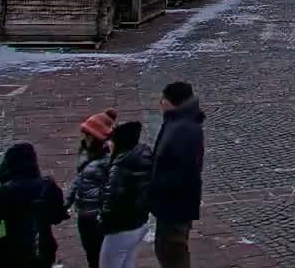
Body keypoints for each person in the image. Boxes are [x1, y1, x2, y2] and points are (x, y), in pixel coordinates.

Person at [0, 143, 67, 268]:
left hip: (8, 253)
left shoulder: (3, 192)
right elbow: (57, 217)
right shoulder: (47, 187)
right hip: (40, 249)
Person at [150, 82, 205, 268]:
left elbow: (180, 169)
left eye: (162, 99)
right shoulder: (177, 122)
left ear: (171, 101)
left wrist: (156, 190)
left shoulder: (183, 128)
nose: (160, 103)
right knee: (167, 249)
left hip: (174, 204)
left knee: (171, 251)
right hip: (172, 203)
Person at [67, 109, 117, 267]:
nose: (84, 137)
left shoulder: (106, 160)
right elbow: (79, 178)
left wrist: (103, 214)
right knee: (91, 254)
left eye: (87, 134)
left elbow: (110, 189)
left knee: (98, 257)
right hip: (85, 214)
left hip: (95, 217)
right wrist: (67, 201)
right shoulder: (87, 154)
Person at [99, 122, 152, 268]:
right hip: (138, 223)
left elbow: (112, 198)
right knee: (127, 262)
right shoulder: (142, 156)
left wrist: (102, 221)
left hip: (120, 227)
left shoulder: (120, 166)